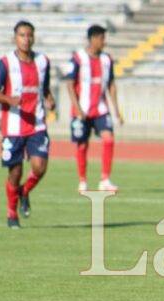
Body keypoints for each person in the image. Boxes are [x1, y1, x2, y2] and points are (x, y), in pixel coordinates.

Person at [0, 20, 55, 228]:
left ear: (34, 37)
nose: (26, 39)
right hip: (13, 126)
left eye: (29, 35)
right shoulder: (6, 63)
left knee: (40, 167)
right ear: (15, 38)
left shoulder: (43, 61)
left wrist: (50, 99)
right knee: (15, 173)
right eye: (22, 35)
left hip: (37, 124)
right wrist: (9, 100)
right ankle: (11, 214)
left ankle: (24, 191)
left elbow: (44, 88)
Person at [63, 24, 122, 192]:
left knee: (109, 139)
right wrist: (77, 108)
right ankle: (82, 180)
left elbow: (111, 85)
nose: (104, 42)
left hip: (101, 109)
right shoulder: (78, 58)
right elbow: (69, 84)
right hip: (81, 110)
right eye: (102, 38)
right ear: (93, 39)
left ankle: (105, 179)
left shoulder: (107, 59)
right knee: (82, 145)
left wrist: (116, 110)